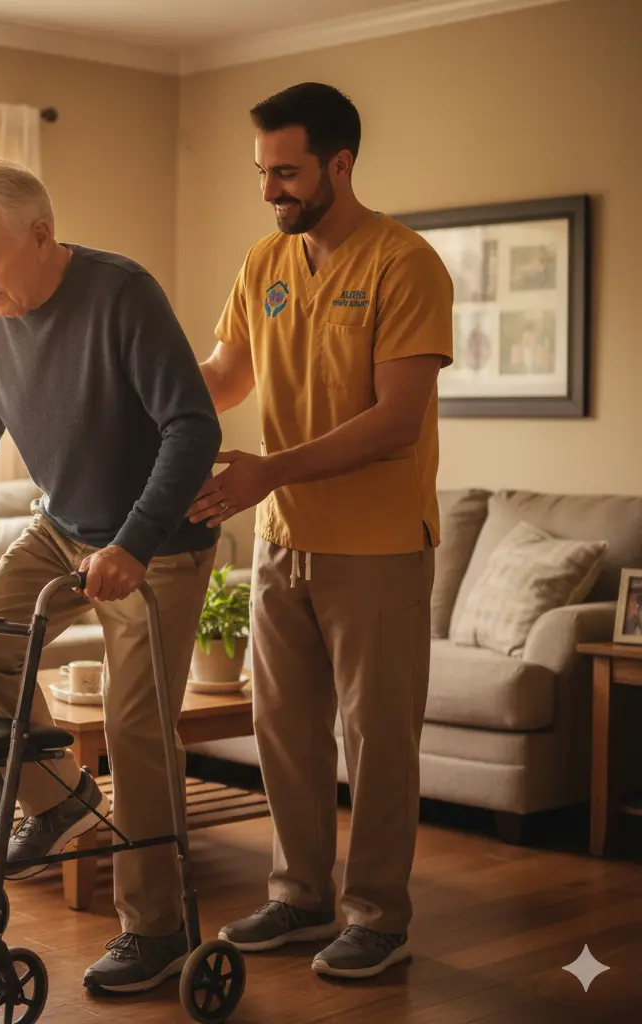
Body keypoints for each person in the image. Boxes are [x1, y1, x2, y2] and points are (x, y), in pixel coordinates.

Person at [0, 158, 222, 994]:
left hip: (157, 544)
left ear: (41, 235)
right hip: (62, 528)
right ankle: (62, 797)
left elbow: (192, 427)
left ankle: (156, 929)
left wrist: (135, 543)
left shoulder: (122, 294)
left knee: (135, 728)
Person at [188, 82, 453, 979]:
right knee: (285, 731)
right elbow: (225, 376)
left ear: (340, 164)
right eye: (263, 172)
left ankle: (378, 917)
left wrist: (268, 471)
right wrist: (146, 392)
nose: (270, 191)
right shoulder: (265, 261)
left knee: (377, 743)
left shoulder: (404, 263)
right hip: (283, 542)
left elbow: (397, 421)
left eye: (288, 173)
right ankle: (299, 898)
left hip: (378, 546)